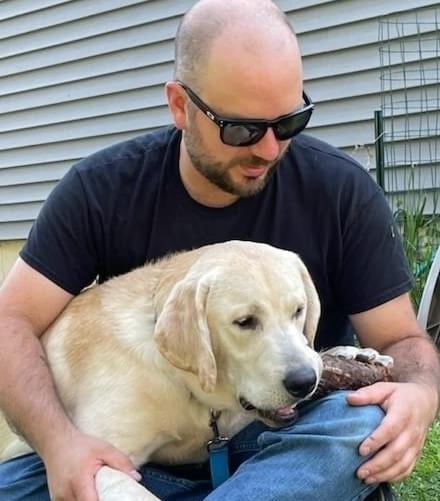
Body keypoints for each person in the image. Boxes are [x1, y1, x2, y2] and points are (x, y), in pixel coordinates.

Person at [0, 0, 438, 500]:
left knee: (356, 422)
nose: (270, 149)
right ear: (180, 106)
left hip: (277, 442)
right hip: (134, 460)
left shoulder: (341, 192)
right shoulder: (100, 190)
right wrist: (60, 445)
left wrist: (420, 394)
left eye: (290, 121)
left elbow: (402, 340)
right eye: (242, 128)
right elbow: (10, 322)